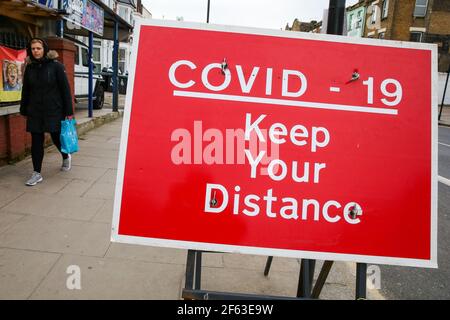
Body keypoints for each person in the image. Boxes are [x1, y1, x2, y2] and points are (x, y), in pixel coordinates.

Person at [20, 38, 74, 186]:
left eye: (38, 48)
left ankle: (65, 155)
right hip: (35, 110)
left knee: (56, 137)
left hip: (53, 110)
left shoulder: (56, 66)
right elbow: (26, 90)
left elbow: (65, 90)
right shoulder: (30, 68)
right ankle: (36, 173)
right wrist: (23, 108)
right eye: (33, 49)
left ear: (44, 49)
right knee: (36, 141)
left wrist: (68, 111)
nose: (35, 51)